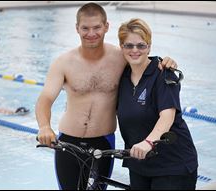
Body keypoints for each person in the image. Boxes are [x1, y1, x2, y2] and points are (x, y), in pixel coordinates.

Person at [36, 3, 178, 190]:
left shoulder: (120, 57)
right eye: (85, 28)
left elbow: (143, 59)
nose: (91, 33)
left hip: (103, 144)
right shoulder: (63, 63)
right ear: (77, 28)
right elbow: (45, 99)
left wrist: (166, 61)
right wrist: (44, 127)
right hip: (68, 142)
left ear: (106, 27)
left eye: (96, 27)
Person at [116, 18, 198, 190]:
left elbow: (167, 116)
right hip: (139, 164)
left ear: (149, 46)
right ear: (121, 47)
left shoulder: (164, 74)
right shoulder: (121, 77)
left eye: (141, 45)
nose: (135, 50)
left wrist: (149, 142)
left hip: (173, 166)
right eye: (129, 45)